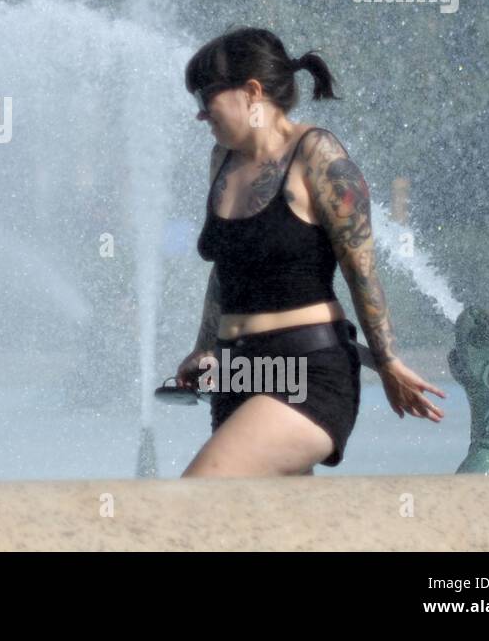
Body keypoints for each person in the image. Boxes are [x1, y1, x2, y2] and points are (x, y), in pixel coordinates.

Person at [173, 27, 445, 477]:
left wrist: (387, 361)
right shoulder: (222, 159)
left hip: (308, 370)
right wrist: (204, 348)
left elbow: (361, 269)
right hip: (237, 372)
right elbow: (227, 266)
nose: (201, 115)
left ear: (252, 91)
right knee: (262, 530)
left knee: (199, 492)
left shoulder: (316, 154)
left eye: (206, 97)